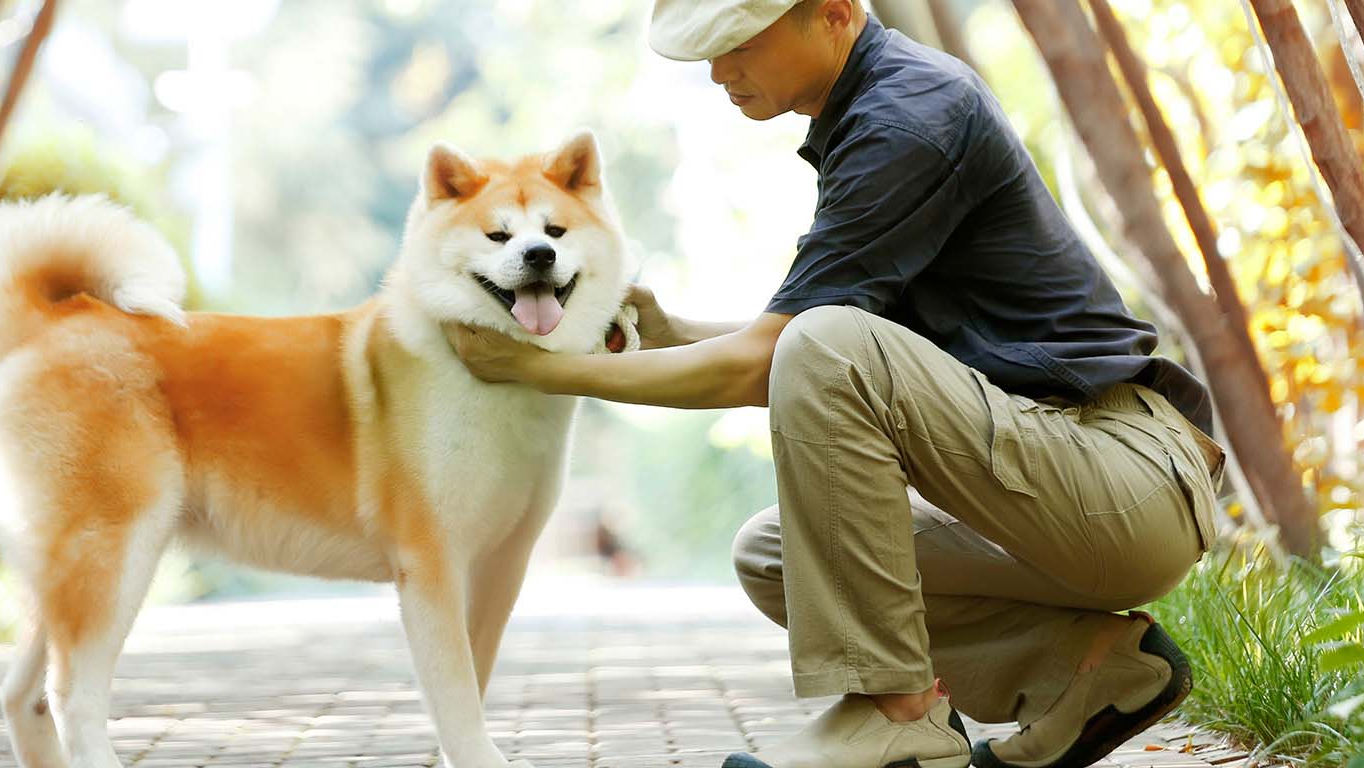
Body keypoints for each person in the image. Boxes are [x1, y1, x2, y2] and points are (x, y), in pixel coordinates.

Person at [443, 1, 1226, 766]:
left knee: (826, 345)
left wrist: (537, 370)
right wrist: (673, 331)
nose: (719, 70)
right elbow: (801, 351)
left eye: (740, 41)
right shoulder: (874, 113)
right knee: (775, 557)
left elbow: (785, 360)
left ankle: (898, 718)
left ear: (837, 12)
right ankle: (1091, 671)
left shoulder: (908, 118)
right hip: (1062, 480)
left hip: (1123, 477)